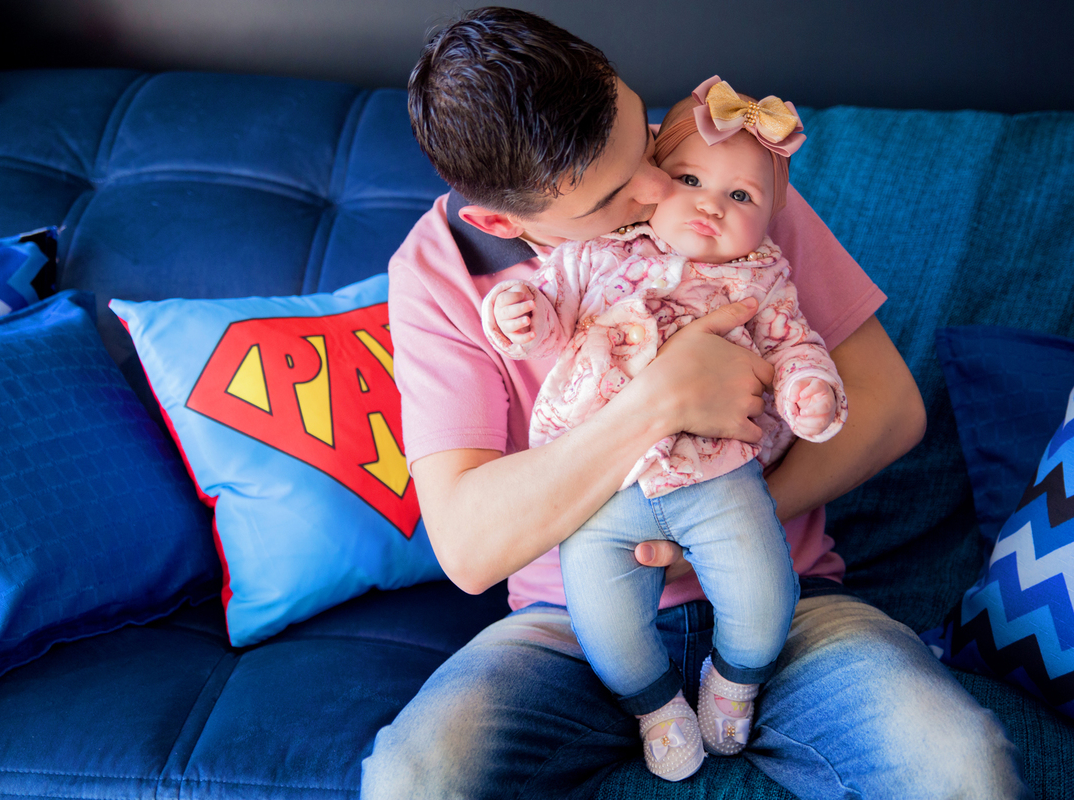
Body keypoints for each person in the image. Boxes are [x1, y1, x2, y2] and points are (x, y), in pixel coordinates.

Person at [362, 7, 1029, 799]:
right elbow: (469, 546)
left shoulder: (715, 179)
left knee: (962, 767)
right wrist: (658, 401)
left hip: (788, 600)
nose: (656, 189)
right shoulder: (438, 273)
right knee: (413, 781)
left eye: (638, 135)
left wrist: (729, 522)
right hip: (568, 623)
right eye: (612, 194)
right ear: (501, 222)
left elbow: (890, 407)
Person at [480, 76, 846, 781]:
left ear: (772, 216)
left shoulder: (762, 276)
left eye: (742, 197)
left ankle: (733, 684)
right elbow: (547, 307)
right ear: (654, 179)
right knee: (602, 618)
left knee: (765, 592)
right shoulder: (596, 251)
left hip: (718, 472)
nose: (711, 205)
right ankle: (656, 708)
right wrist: (517, 314)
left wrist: (809, 391)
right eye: (689, 178)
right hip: (601, 483)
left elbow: (794, 343)